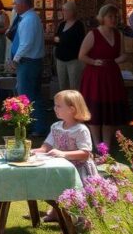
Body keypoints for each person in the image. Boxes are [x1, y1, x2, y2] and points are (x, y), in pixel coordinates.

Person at [32, 90, 97, 223]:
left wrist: (63, 154)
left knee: (78, 194)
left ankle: (83, 219)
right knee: (57, 190)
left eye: (59, 106)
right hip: (61, 167)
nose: (55, 108)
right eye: (55, 105)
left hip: (79, 169)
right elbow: (46, 147)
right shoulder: (56, 126)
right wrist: (32, 151)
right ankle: (56, 213)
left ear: (72, 109)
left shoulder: (80, 129)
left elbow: (85, 153)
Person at [78, 3, 129, 150]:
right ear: (102, 18)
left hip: (112, 76)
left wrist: (117, 60)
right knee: (96, 110)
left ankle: (106, 145)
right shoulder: (93, 34)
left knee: (110, 111)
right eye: (110, 16)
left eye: (115, 16)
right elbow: (81, 55)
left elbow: (123, 54)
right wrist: (94, 61)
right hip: (95, 77)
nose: (113, 19)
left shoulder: (119, 34)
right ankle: (97, 143)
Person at [8, 0, 48, 137]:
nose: (14, 6)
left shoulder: (28, 20)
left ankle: (37, 127)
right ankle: (35, 125)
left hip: (28, 62)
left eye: (16, 4)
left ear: (23, 4)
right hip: (31, 62)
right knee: (33, 94)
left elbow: (26, 43)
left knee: (28, 95)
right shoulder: (29, 18)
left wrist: (15, 59)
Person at [53, 1, 86, 91]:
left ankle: (74, 104)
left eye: (65, 10)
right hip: (60, 59)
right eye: (63, 10)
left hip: (73, 61)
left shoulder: (78, 25)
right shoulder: (62, 24)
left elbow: (78, 42)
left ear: (72, 11)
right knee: (62, 86)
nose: (63, 12)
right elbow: (56, 38)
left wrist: (61, 40)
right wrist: (61, 40)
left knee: (74, 86)